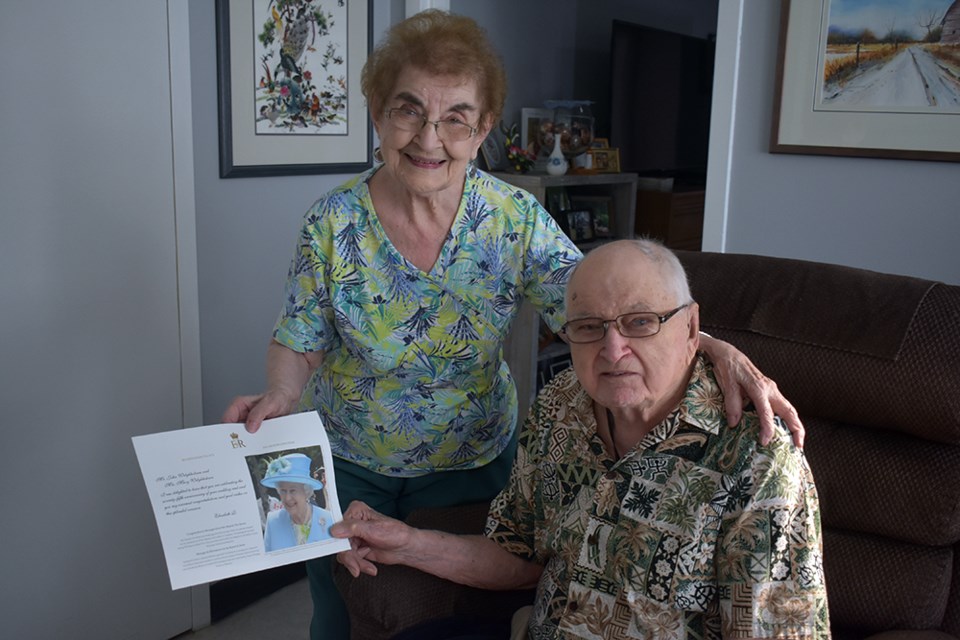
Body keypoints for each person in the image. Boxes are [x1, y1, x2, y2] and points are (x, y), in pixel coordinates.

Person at [223, 11, 804, 640]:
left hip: (470, 458)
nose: (429, 138)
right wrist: (280, 394)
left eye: (456, 119)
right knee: (338, 614)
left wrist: (709, 345)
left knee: (462, 607)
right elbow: (299, 336)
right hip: (346, 451)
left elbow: (598, 313)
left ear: (484, 129)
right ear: (377, 111)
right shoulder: (331, 224)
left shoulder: (511, 219)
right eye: (408, 110)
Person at [333, 239, 830, 640]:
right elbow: (519, 553)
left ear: (691, 327)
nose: (613, 350)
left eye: (641, 322)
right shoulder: (561, 405)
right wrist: (407, 544)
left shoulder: (759, 462)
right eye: (590, 327)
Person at [259, 452, 334, 552]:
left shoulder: (329, 519)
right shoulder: (273, 521)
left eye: (293, 490)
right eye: (283, 491)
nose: (287, 498)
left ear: (306, 491)